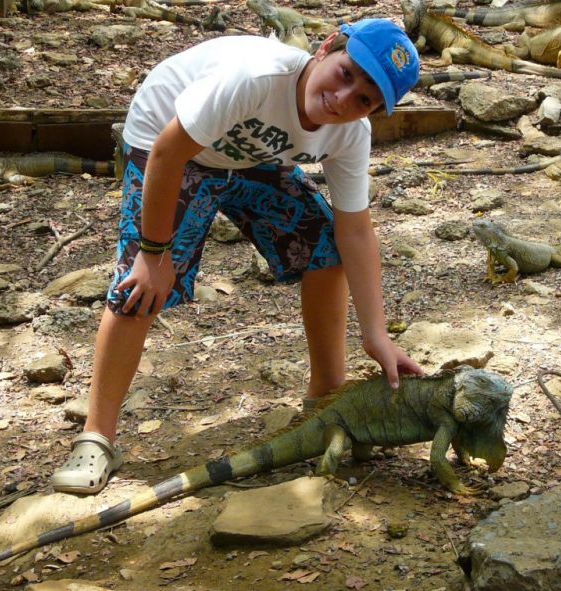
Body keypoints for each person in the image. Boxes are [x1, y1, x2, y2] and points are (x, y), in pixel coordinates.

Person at [52, 19, 425, 494]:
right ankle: (96, 437)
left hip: (246, 154)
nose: (344, 97)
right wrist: (153, 253)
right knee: (141, 284)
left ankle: (326, 400)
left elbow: (355, 230)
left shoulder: (349, 134)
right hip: (166, 144)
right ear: (327, 47)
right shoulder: (256, 78)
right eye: (347, 73)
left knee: (324, 245)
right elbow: (168, 153)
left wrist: (376, 335)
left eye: (365, 99)